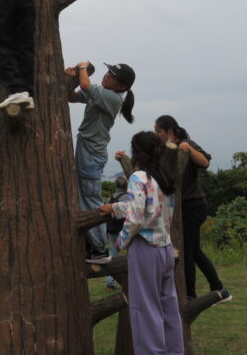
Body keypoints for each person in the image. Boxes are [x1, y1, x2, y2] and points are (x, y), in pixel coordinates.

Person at [100, 131, 183, 355]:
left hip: (146, 249)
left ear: (136, 152)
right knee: (169, 309)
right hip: (165, 248)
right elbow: (151, 208)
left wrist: (120, 242)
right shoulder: (163, 177)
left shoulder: (138, 177)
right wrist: (116, 208)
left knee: (145, 311)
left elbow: (137, 217)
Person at [154, 115, 231, 304]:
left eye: (159, 131)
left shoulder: (186, 143)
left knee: (187, 251)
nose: (157, 135)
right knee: (195, 251)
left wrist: (188, 151)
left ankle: (190, 294)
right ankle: (218, 288)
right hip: (183, 207)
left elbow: (205, 162)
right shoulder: (164, 149)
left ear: (169, 131)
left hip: (193, 206)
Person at [66, 60, 136, 263]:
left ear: (122, 87)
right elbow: (72, 96)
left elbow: (86, 85)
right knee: (83, 196)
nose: (107, 76)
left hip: (91, 152)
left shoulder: (112, 97)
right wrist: (73, 78)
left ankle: (99, 250)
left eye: (112, 76)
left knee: (89, 199)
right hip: (88, 148)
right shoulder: (103, 93)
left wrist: (82, 69)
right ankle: (93, 245)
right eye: (108, 72)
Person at [105, 174, 129, 290]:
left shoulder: (110, 196)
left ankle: (110, 281)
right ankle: (131, 278)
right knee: (131, 253)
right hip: (123, 230)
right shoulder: (126, 197)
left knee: (113, 254)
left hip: (111, 229)